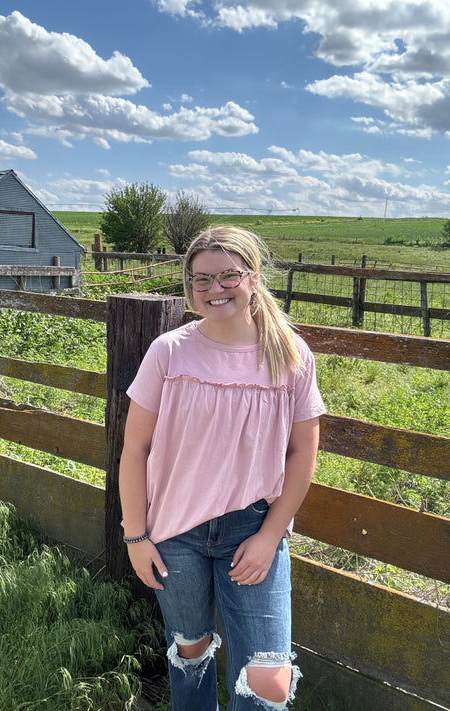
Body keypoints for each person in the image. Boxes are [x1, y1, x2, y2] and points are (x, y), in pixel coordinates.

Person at [119, 226, 326, 710]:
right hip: (175, 533)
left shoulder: (291, 356)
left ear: (253, 278)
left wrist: (271, 534)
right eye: (201, 280)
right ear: (188, 286)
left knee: (269, 679)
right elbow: (135, 451)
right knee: (190, 648)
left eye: (228, 276)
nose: (214, 290)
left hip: (253, 529)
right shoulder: (169, 352)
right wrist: (135, 537)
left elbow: (302, 456)